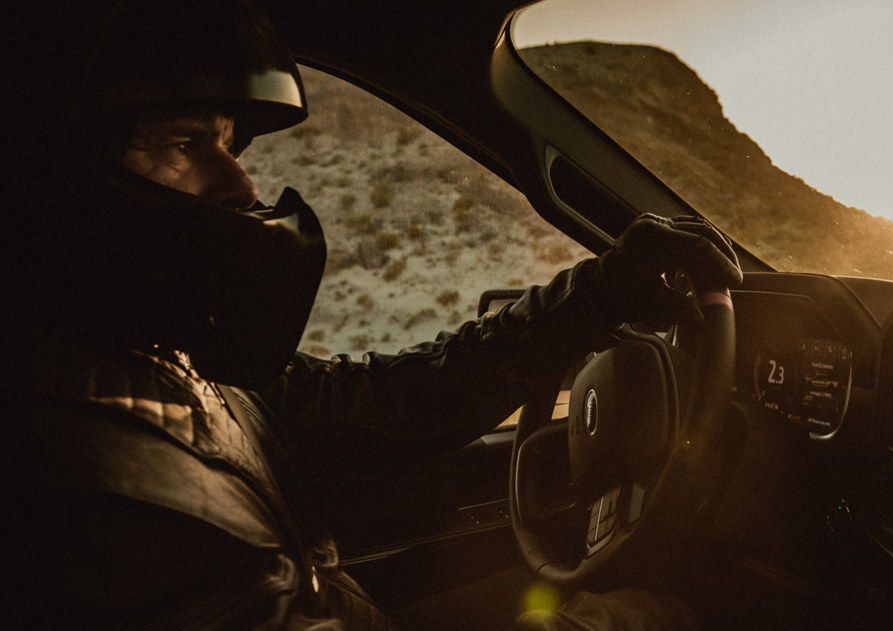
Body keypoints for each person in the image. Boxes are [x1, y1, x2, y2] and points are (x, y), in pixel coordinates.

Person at [3, 1, 740, 629]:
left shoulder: (166, 357)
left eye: (230, 144)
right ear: (61, 175)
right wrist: (633, 616)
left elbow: (378, 402)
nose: (241, 182)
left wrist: (594, 296)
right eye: (185, 142)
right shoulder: (104, 494)